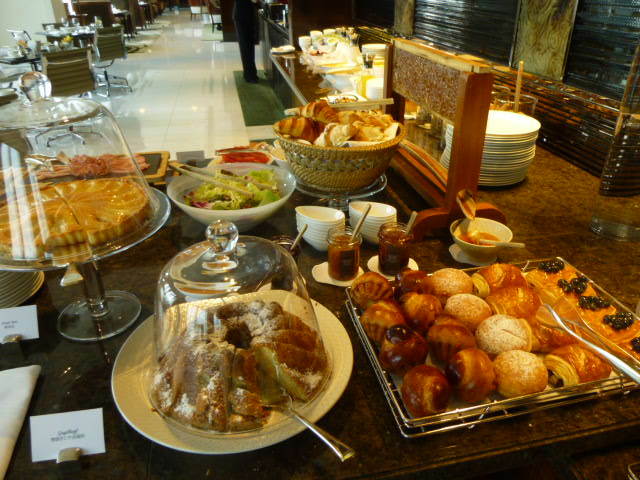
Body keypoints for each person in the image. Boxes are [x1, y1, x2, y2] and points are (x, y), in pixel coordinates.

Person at [233, 0, 258, 83]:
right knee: (245, 46)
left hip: (247, 15)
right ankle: (249, 75)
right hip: (241, 16)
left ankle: (251, 74)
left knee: (249, 46)